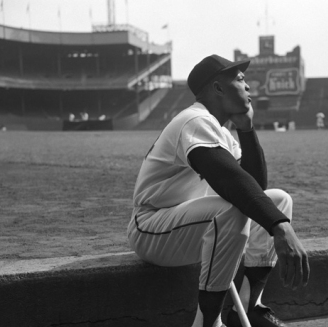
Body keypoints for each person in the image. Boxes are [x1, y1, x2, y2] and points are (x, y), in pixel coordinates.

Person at [127, 54, 310, 327]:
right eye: (240, 79)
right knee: (232, 211)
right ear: (218, 88)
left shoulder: (221, 131)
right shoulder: (194, 120)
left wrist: (246, 129)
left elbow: (254, 189)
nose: (248, 86)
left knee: (279, 200)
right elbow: (229, 179)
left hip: (189, 224)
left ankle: (247, 309)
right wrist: (280, 228)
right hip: (152, 226)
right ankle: (208, 324)